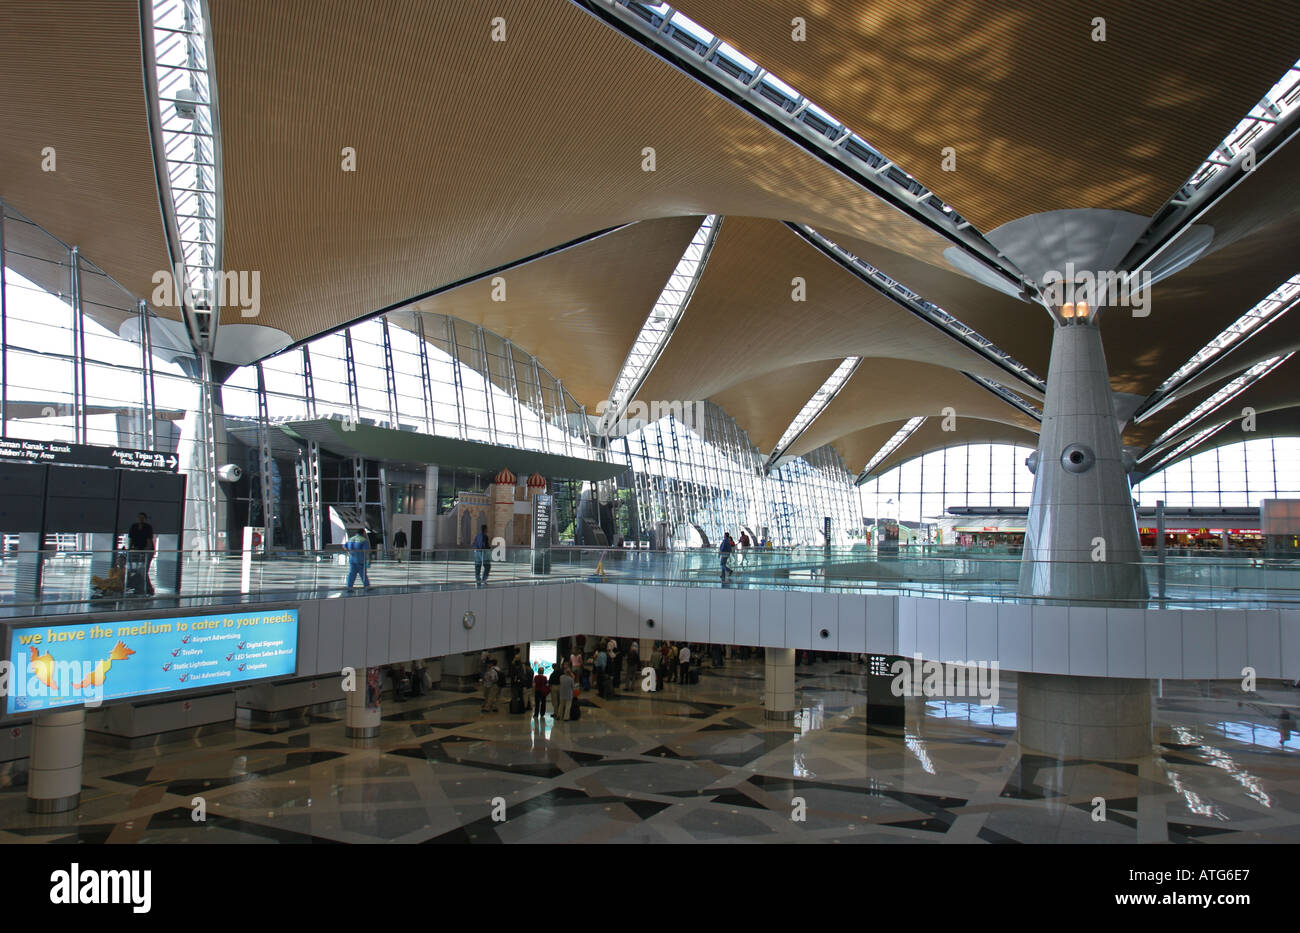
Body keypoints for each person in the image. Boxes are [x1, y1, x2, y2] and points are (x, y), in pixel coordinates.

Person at [126, 512, 156, 595]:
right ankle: (140, 587)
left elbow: (149, 541)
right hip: (137, 550)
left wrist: (146, 550)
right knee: (138, 570)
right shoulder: (134, 526)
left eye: (142, 518)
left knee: (144, 570)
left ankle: (148, 589)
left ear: (145, 519)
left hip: (146, 551)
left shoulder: (148, 527)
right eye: (139, 517)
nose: (141, 519)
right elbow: (131, 539)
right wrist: (130, 548)